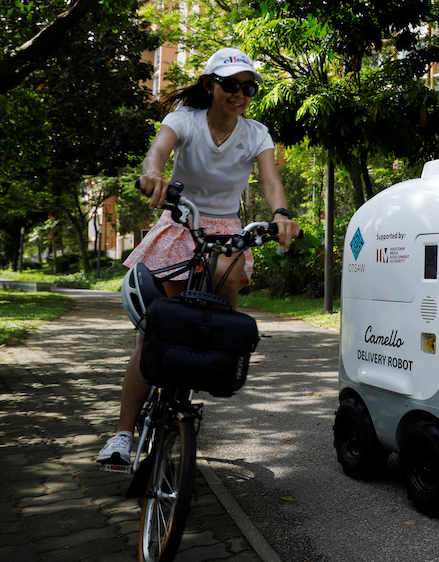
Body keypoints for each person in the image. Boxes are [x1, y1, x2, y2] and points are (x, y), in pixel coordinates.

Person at [97, 48, 301, 465]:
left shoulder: (256, 133)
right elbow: (158, 152)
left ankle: (204, 369)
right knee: (155, 331)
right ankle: (121, 435)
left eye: (248, 87)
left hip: (226, 229)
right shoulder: (185, 120)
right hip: (181, 220)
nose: (240, 94)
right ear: (210, 85)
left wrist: (280, 213)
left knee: (223, 290)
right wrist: (153, 173)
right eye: (230, 85)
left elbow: (270, 182)